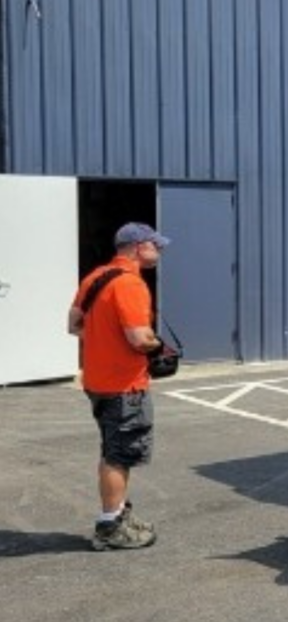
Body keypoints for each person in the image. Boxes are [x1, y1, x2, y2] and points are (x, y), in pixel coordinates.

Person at [68, 222, 173, 551]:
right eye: (156, 245)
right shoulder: (131, 284)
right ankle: (110, 525)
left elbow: (74, 325)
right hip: (124, 384)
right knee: (119, 455)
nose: (160, 251)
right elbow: (140, 338)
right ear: (139, 246)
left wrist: (103, 344)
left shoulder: (95, 278)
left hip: (97, 380)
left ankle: (117, 514)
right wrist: (160, 349)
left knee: (111, 448)